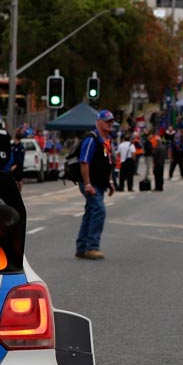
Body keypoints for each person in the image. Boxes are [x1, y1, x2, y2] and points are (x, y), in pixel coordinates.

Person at [74, 110, 117, 260]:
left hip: (100, 183)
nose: (110, 124)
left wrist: (110, 182)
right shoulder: (91, 139)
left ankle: (81, 247)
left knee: (91, 211)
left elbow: (108, 163)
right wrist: (87, 184)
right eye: (107, 121)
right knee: (99, 210)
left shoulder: (107, 140)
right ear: (98, 122)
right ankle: (92, 246)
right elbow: (84, 162)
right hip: (90, 183)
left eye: (112, 121)